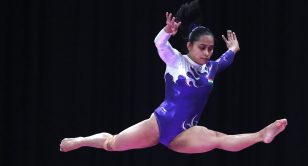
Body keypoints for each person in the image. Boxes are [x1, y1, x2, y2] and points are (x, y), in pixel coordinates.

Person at [59, 0, 287, 154]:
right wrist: (166, 32)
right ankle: (82, 141)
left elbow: (225, 60)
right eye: (202, 48)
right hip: (159, 123)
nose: (207, 53)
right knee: (112, 143)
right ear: (189, 45)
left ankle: (261, 135)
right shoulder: (176, 61)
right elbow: (159, 44)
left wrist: (233, 49)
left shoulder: (212, 68)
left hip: (186, 132)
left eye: (211, 48)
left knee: (218, 138)